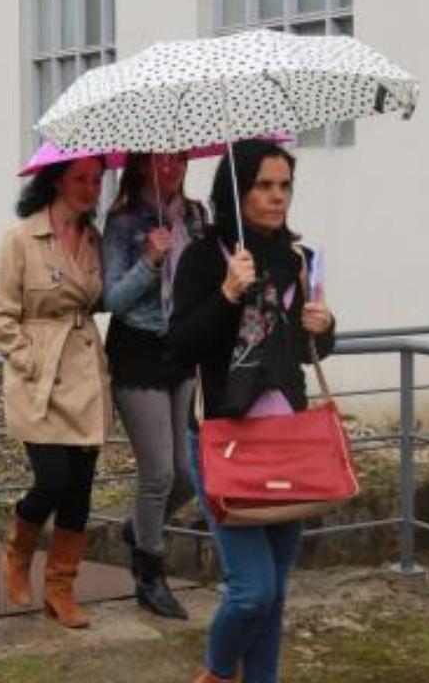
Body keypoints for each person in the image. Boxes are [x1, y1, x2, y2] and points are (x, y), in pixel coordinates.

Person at [166, 139, 335, 683]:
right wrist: (226, 293)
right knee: (251, 591)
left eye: (285, 185)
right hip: (227, 441)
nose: (277, 196)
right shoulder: (204, 258)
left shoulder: (297, 260)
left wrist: (325, 328)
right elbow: (181, 347)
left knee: (277, 594)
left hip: (289, 440)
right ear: (238, 190)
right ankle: (216, 673)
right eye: (264, 186)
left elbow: (308, 354)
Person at [0, 152, 112, 629]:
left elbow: (101, 298)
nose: (90, 188)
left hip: (85, 369)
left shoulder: (95, 240)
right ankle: (18, 550)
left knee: (80, 486)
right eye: (81, 178)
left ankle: (61, 587)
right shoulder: (20, 239)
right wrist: (28, 358)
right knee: (52, 480)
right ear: (56, 180)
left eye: (97, 179)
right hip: (40, 374)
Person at [102, 152, 206, 619]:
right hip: (138, 351)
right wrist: (148, 261)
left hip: (182, 349)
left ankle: (137, 529)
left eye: (178, 159)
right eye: (161, 161)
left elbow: (204, 282)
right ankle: (149, 573)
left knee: (186, 474)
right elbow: (114, 300)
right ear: (143, 165)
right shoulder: (123, 222)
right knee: (159, 472)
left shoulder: (197, 216)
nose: (172, 168)